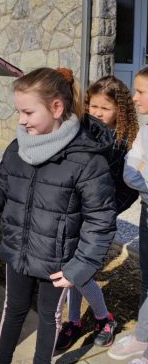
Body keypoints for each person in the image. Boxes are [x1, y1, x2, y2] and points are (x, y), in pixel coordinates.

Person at [0, 67, 117, 364]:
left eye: (28, 112)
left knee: (49, 318)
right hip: (18, 254)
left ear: (56, 108)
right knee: (13, 310)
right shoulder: (16, 149)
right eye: (18, 112)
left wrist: (79, 267)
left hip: (57, 262)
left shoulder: (87, 160)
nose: (21, 120)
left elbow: (101, 221)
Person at [56, 76, 139, 350]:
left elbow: (129, 189)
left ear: (121, 110)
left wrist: (107, 210)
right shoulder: (82, 131)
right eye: (93, 106)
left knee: (80, 272)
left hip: (98, 221)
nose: (97, 113)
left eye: (105, 108)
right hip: (74, 213)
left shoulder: (125, 143)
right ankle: (74, 322)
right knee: (71, 269)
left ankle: (104, 319)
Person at [108, 67, 148, 363]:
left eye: (142, 92)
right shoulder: (145, 131)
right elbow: (130, 174)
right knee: (147, 278)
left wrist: (143, 167)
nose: (135, 97)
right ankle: (144, 336)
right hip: (147, 212)